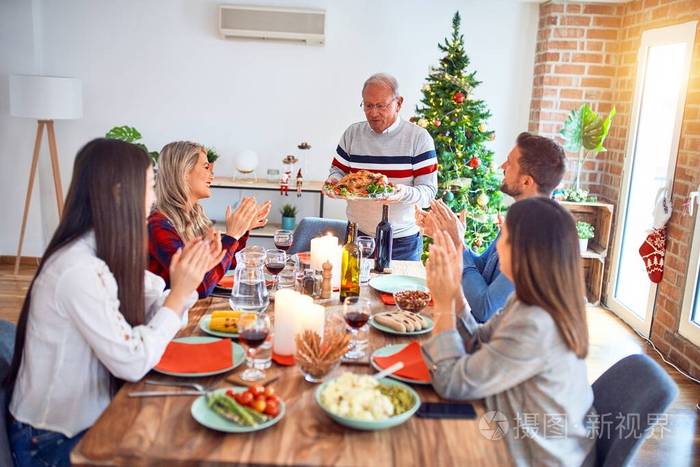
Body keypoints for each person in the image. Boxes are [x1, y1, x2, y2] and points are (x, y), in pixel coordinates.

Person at [4, 139, 219, 467]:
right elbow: (133, 361)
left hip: (96, 410)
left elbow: (153, 300)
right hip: (51, 440)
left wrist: (187, 282)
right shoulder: (78, 268)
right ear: (121, 192)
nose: (153, 198)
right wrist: (178, 296)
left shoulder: (103, 249)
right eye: (150, 186)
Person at [422, 198, 596, 467]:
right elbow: (479, 342)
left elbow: (450, 382)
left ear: (525, 251)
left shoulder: (537, 324)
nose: (497, 245)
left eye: (505, 236)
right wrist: (455, 292)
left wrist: (443, 305)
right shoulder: (529, 301)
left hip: (530, 455)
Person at [416, 132, 566, 322]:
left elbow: (485, 309)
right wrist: (447, 235)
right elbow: (484, 269)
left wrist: (458, 244)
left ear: (526, 181)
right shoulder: (519, 217)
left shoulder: (536, 236)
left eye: (510, 163)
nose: (503, 167)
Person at [326, 73, 437, 260]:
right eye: (368, 105)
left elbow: (428, 193)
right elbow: (337, 172)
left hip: (401, 241)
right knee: (353, 289)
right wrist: (333, 183)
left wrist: (403, 193)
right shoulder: (352, 134)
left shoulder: (418, 138)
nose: (373, 113)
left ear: (399, 103)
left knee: (398, 291)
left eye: (380, 106)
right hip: (356, 235)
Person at [148, 141, 271, 297]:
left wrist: (242, 229)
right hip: (171, 316)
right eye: (206, 167)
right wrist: (232, 235)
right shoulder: (158, 225)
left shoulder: (193, 216)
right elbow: (198, 286)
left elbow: (226, 263)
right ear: (183, 172)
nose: (212, 175)